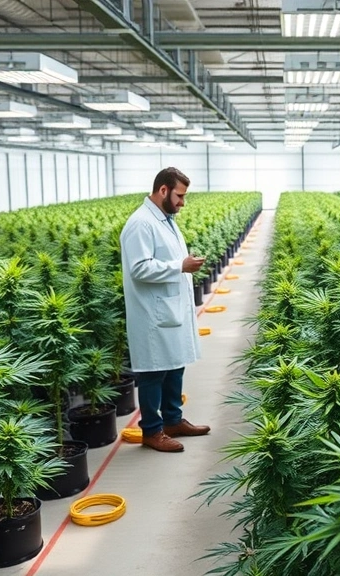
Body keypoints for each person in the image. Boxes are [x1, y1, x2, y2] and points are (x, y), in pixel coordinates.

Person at [119, 167, 211, 452]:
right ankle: (151, 430)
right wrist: (180, 266)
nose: (183, 202)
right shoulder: (140, 224)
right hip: (152, 313)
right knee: (153, 373)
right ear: (163, 191)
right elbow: (139, 268)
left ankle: (172, 420)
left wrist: (183, 263)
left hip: (169, 309)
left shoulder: (165, 219)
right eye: (180, 196)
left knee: (174, 366)